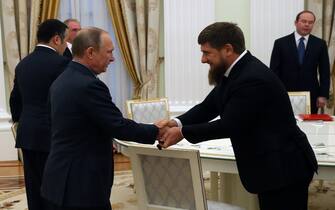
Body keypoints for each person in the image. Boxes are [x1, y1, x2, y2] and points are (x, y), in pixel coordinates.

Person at [158, 22, 318, 210]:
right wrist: (175, 122)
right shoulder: (235, 71)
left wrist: (182, 132)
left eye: (207, 53)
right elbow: (208, 107)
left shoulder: (252, 77)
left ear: (227, 49)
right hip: (272, 165)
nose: (203, 59)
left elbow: (229, 125)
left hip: (285, 167)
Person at [41, 27, 163, 210]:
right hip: (81, 182)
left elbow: (63, 124)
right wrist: (157, 130)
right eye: (109, 52)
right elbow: (118, 125)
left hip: (59, 175)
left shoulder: (61, 80)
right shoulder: (89, 85)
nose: (112, 58)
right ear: (90, 52)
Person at [9, 19, 69, 210]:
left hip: (27, 134)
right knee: (55, 189)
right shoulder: (62, 64)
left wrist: (21, 121)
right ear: (57, 39)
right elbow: (67, 101)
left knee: (34, 188)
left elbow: (15, 101)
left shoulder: (22, 64)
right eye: (66, 40)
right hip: (53, 135)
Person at [270, 10, 330, 114]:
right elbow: (274, 71)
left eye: (310, 22)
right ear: (296, 22)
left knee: (309, 127)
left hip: (312, 95)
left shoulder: (320, 44)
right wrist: (275, 93)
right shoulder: (280, 43)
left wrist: (323, 95)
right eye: (304, 21)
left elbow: (324, 72)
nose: (307, 24)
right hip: (285, 93)